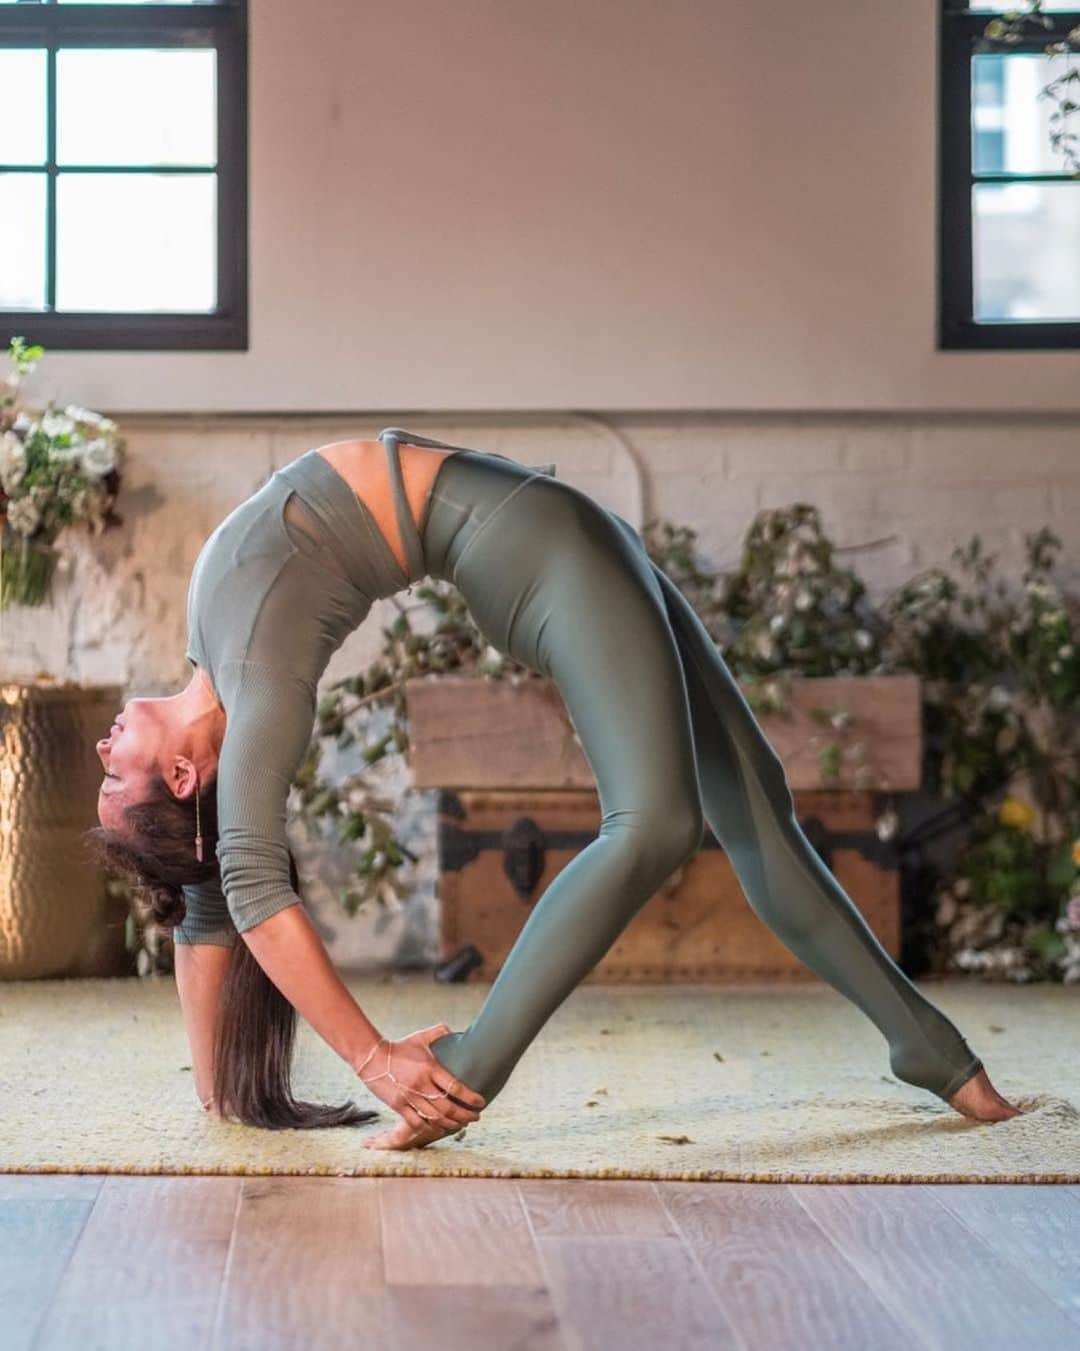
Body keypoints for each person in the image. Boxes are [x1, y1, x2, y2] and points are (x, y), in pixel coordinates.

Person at [89, 429, 1020, 1151]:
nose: (99, 744)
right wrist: (374, 1061)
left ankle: (932, 1052)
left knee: (754, 802)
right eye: (113, 776)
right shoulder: (260, 693)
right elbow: (245, 888)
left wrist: (220, 1091)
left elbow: (208, 891)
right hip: (545, 553)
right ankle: (472, 1068)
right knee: (657, 822)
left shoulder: (212, 647)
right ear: (179, 775)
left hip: (558, 531)